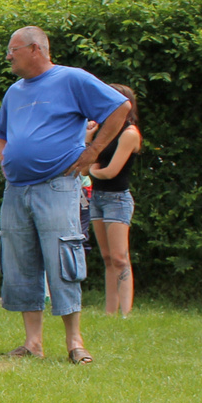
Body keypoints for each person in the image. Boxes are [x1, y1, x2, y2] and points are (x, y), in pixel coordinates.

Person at [0, 27, 131, 364]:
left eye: (13, 49)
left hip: (57, 186)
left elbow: (119, 108)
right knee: (21, 263)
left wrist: (93, 151)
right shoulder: (14, 91)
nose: (8, 56)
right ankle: (32, 343)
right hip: (16, 190)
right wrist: (6, 160)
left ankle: (75, 342)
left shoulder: (72, 80)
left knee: (63, 261)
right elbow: (0, 132)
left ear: (35, 49)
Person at [86, 82, 140, 316]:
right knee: (107, 257)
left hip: (117, 199)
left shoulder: (130, 133)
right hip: (97, 197)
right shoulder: (105, 133)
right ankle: (110, 312)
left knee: (119, 257)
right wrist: (88, 139)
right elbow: (88, 160)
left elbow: (110, 171)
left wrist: (90, 170)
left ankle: (125, 313)